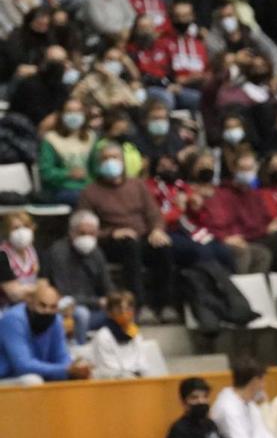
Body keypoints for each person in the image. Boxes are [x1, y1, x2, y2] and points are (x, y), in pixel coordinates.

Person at [78, 143, 174, 321]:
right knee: (131, 246)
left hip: (142, 235)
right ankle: (138, 305)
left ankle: (165, 304)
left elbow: (154, 214)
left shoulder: (138, 185)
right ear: (98, 164)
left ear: (122, 161)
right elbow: (82, 227)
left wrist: (157, 230)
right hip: (112, 240)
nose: (110, 162)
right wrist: (110, 233)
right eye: (105, 158)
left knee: (163, 247)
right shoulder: (89, 192)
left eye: (115, 157)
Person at [0, 281, 91, 386]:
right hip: (7, 377)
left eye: (53, 307)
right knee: (32, 381)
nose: (47, 311)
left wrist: (73, 370)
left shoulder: (56, 319)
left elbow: (61, 356)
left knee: (80, 373)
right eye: (42, 305)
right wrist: (66, 370)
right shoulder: (13, 319)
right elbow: (23, 366)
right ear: (30, 302)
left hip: (39, 374)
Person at [212, 357, 277, 438]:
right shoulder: (227, 408)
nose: (263, 386)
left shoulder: (249, 404)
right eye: (262, 381)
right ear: (255, 381)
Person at [89, 289, 149, 379]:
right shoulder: (103, 336)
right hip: (112, 384)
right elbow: (108, 369)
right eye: (120, 309)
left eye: (129, 309)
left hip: (136, 380)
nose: (125, 313)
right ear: (109, 313)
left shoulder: (134, 331)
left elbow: (141, 362)